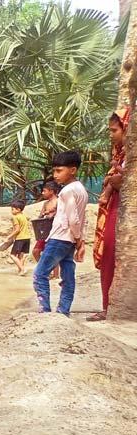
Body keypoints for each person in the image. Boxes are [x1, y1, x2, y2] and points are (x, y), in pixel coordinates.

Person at [33, 150, 88, 315]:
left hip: (59, 238)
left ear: (72, 170)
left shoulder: (67, 191)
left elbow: (73, 219)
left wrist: (79, 239)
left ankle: (45, 311)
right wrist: (79, 240)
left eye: (59, 170)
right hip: (69, 240)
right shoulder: (81, 190)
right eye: (54, 170)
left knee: (39, 274)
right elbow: (81, 218)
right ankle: (63, 311)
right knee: (68, 276)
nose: (55, 175)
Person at [89, 107, 128, 322]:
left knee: (112, 254)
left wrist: (116, 181)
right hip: (113, 208)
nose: (110, 134)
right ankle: (107, 305)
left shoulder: (128, 158)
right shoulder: (120, 156)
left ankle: (110, 306)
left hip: (121, 212)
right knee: (108, 257)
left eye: (114, 130)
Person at [31, 179, 61, 272]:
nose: (42, 193)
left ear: (51, 191)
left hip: (55, 231)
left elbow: (61, 214)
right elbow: (41, 216)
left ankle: (56, 274)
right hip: (45, 231)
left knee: (53, 253)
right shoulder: (45, 203)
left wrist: (52, 212)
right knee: (36, 251)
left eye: (44, 191)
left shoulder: (59, 202)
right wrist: (42, 215)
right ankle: (45, 270)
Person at [6, 199, 33, 276]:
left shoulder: (15, 217)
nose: (11, 211)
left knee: (12, 255)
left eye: (12, 209)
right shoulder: (23, 216)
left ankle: (23, 269)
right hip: (27, 238)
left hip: (20, 238)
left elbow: (17, 230)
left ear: (18, 209)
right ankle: (20, 271)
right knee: (21, 256)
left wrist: (9, 236)